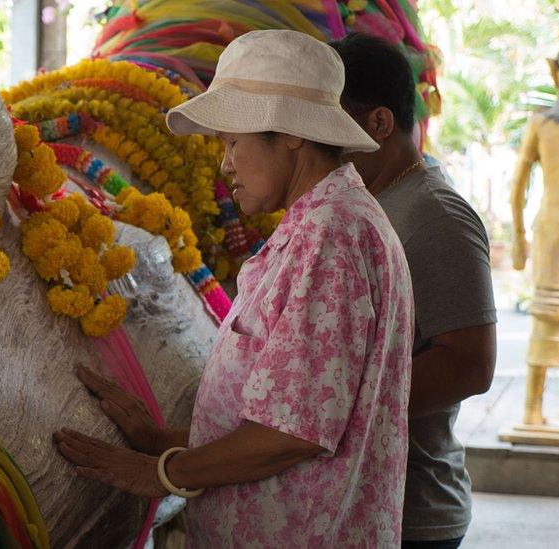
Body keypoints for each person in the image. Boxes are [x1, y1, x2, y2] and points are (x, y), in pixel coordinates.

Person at [53, 29, 415, 546]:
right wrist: (162, 441)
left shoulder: (331, 234)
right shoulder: (322, 224)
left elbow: (291, 434)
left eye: (232, 142)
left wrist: (157, 473)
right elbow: (283, 413)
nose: (225, 164)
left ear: (289, 132)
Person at [330, 33, 498, 548]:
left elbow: (471, 363)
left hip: (412, 514)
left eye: (329, 123)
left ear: (379, 123)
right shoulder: (366, 197)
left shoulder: (436, 215)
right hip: (349, 502)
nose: (313, 141)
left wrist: (335, 411)